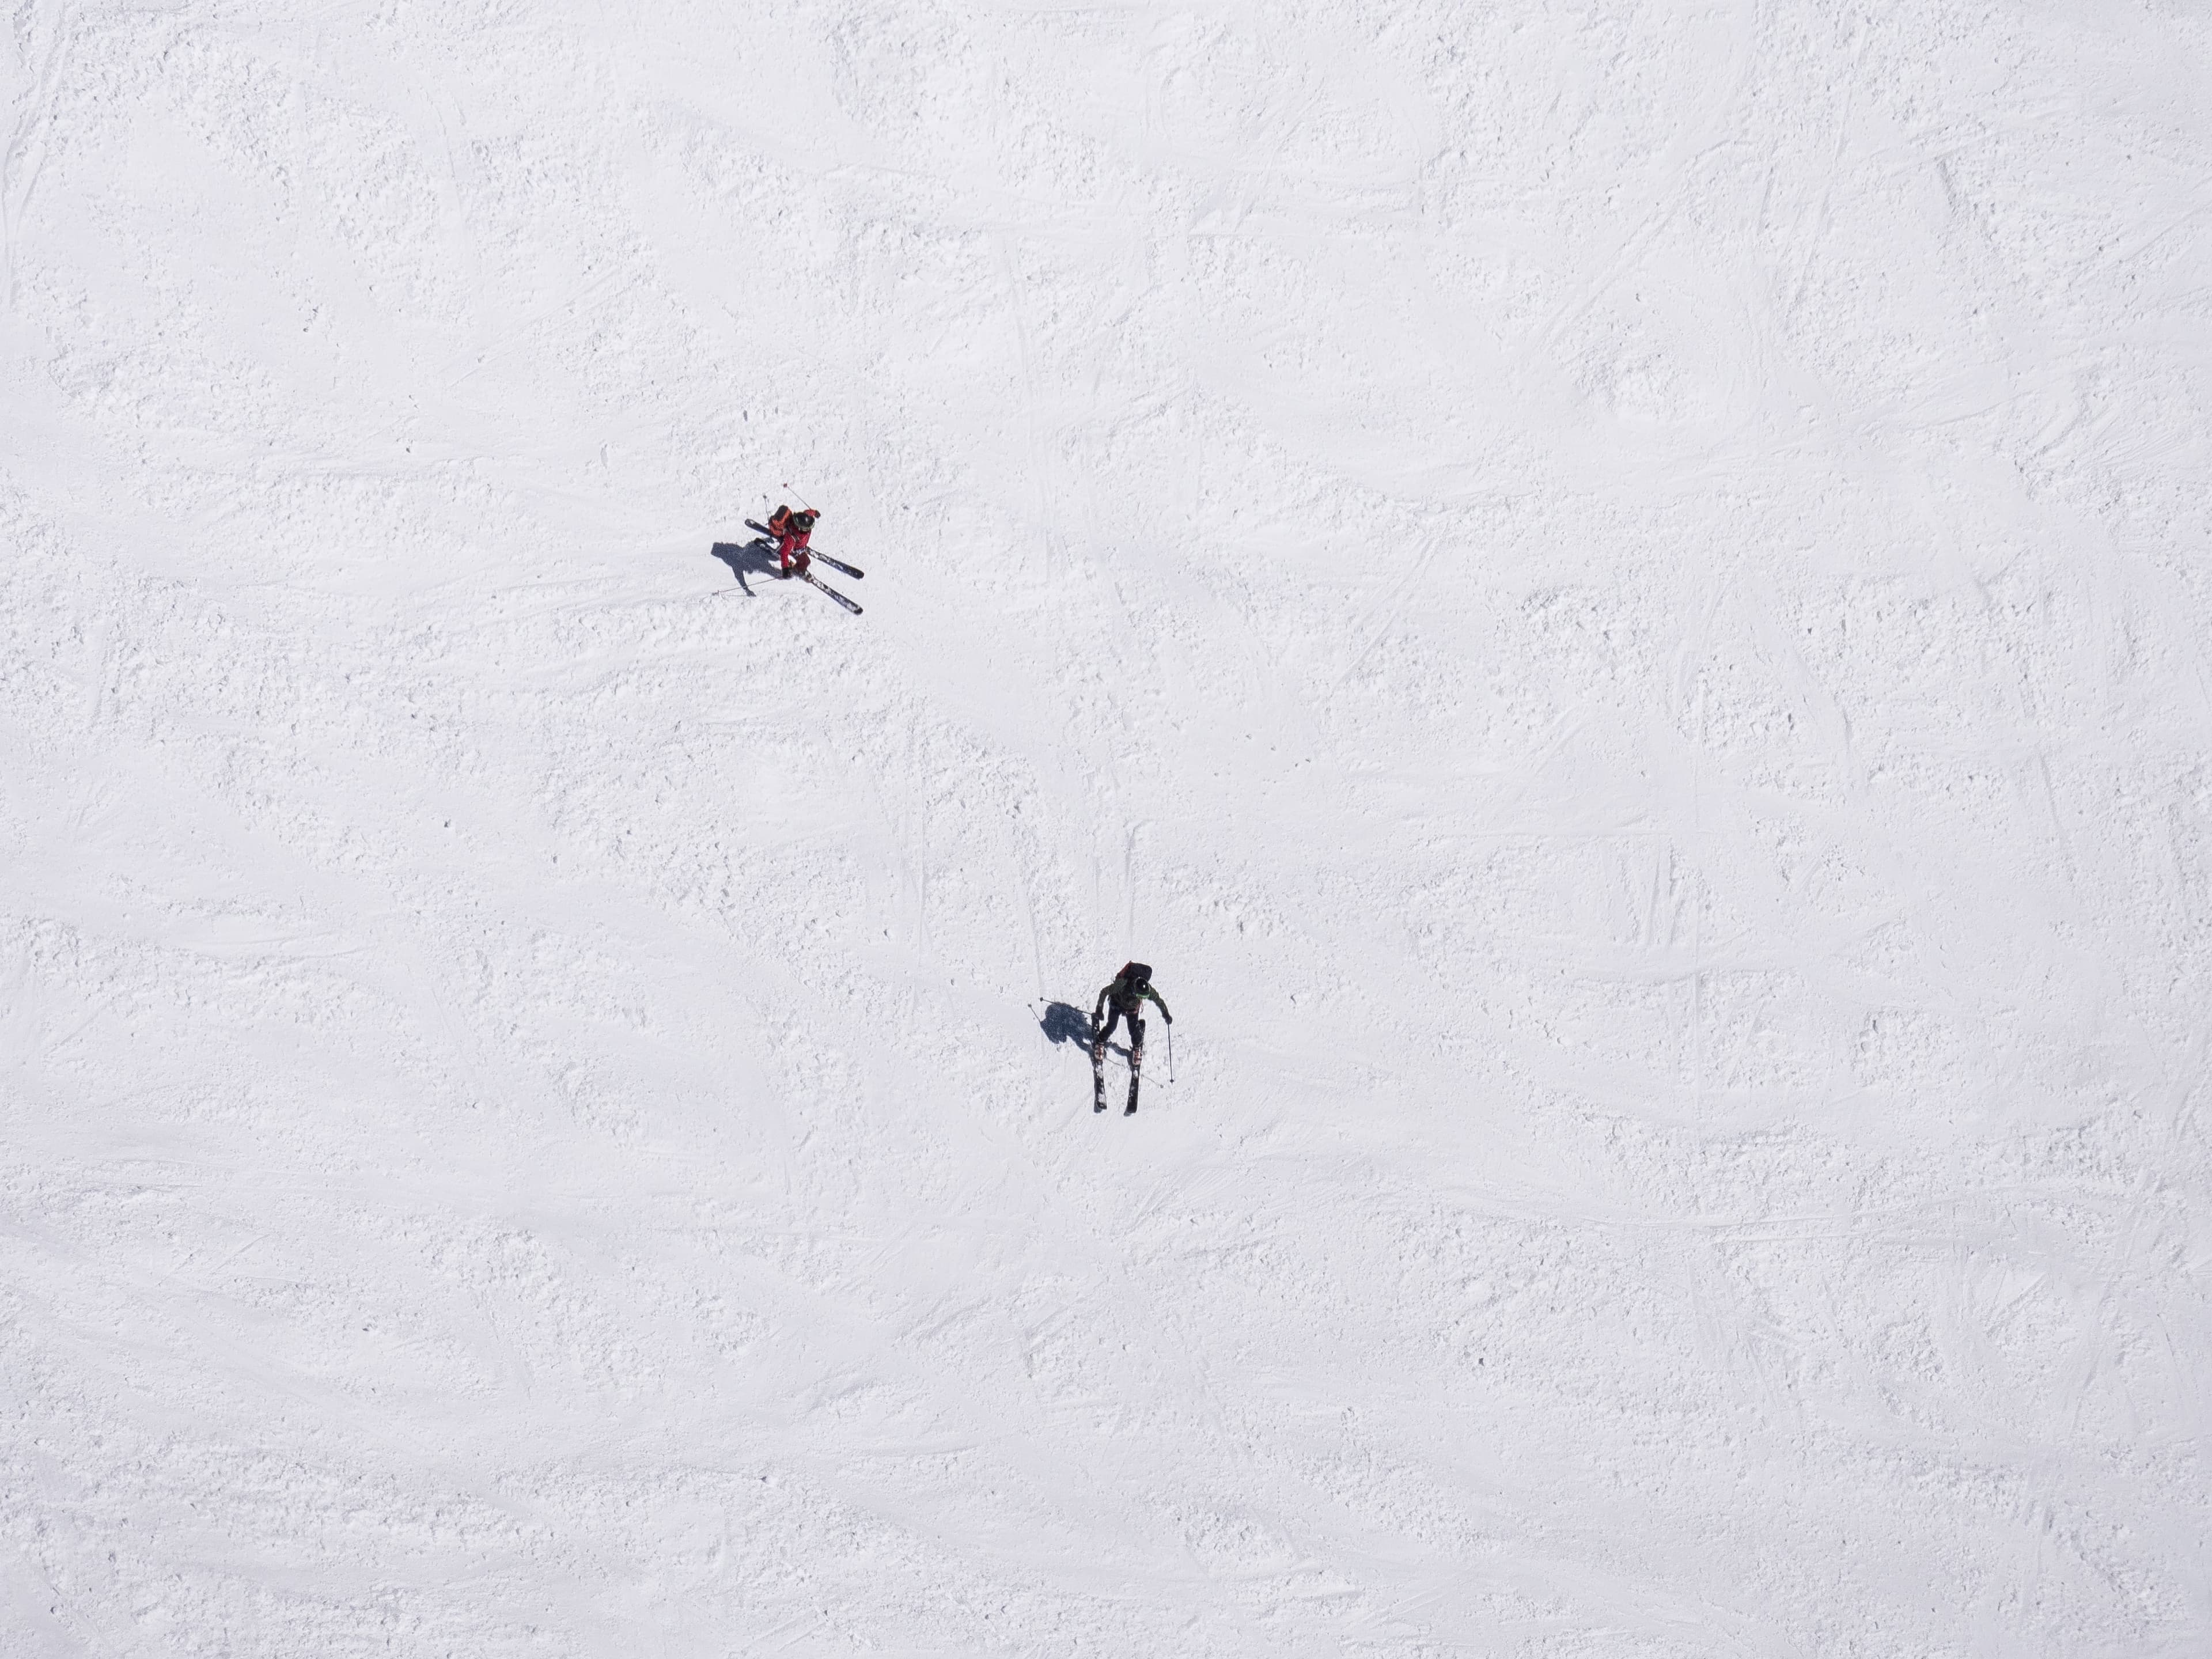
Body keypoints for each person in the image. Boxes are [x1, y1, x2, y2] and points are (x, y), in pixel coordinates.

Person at [1093, 961, 1171, 1113]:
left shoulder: (1147, 990)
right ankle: (1100, 1042)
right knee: (1111, 1027)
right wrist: (1099, 1009)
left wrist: (1166, 1014)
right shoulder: (1122, 984)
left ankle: (1136, 1048)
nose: (1142, 998)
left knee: (1134, 1031)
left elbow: (1158, 1000)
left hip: (1132, 1009)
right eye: (1139, 996)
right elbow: (1104, 992)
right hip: (1117, 1004)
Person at [767, 505, 819, 578]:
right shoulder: (791, 538)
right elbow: (784, 552)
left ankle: (803, 547)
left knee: (805, 558)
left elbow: (807, 513)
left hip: (801, 544)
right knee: (806, 562)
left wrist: (814, 513)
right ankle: (798, 569)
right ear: (800, 528)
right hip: (796, 549)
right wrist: (785, 568)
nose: (809, 529)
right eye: (808, 528)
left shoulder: (802, 519)